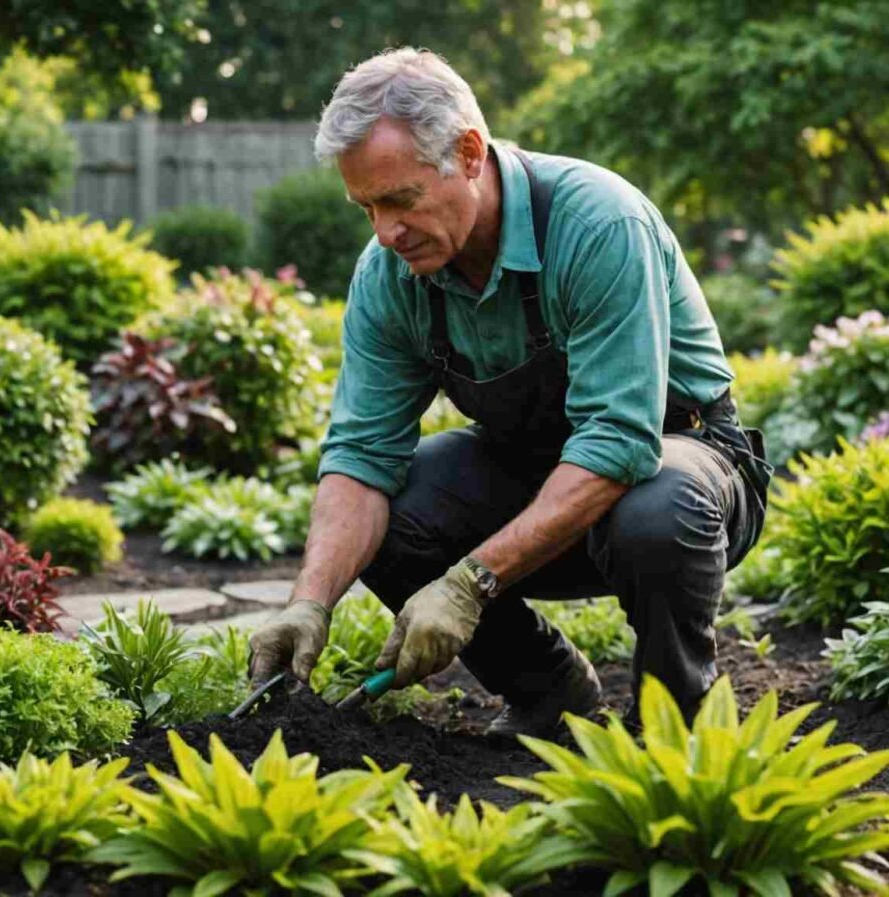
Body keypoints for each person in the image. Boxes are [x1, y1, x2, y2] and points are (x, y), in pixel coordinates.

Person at [247, 47, 772, 736]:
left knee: (657, 506)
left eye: (400, 199)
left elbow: (618, 441)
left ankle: (675, 725)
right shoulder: (388, 275)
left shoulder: (597, 224)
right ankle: (547, 687)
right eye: (366, 206)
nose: (385, 231)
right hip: (531, 465)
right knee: (392, 514)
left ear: (469, 154)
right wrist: (309, 602)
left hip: (684, 463)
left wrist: (471, 582)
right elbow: (360, 456)